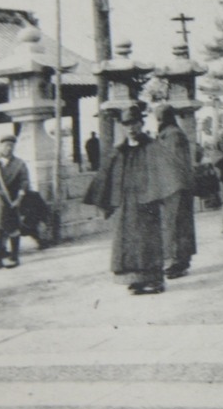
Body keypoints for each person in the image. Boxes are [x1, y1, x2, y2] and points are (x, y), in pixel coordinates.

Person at [84, 104, 168, 295]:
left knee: (149, 240)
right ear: (122, 126)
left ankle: (154, 280)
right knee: (127, 241)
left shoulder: (152, 147)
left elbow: (164, 172)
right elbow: (106, 176)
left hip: (147, 202)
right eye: (126, 124)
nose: (131, 128)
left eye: (135, 123)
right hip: (125, 204)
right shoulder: (118, 150)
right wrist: (105, 202)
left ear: (141, 123)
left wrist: (158, 196)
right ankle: (135, 280)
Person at [152, 104, 196, 278]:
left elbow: (172, 163)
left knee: (174, 225)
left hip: (174, 186)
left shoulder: (172, 136)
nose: (158, 121)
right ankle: (180, 261)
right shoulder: (170, 134)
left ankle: (176, 262)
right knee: (178, 225)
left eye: (160, 117)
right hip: (176, 185)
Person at [0, 134, 30, 270]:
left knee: (13, 228)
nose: (8, 148)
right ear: (0, 147)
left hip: (12, 199)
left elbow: (24, 182)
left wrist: (19, 199)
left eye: (11, 146)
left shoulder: (19, 164)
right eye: (5, 145)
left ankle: (14, 257)